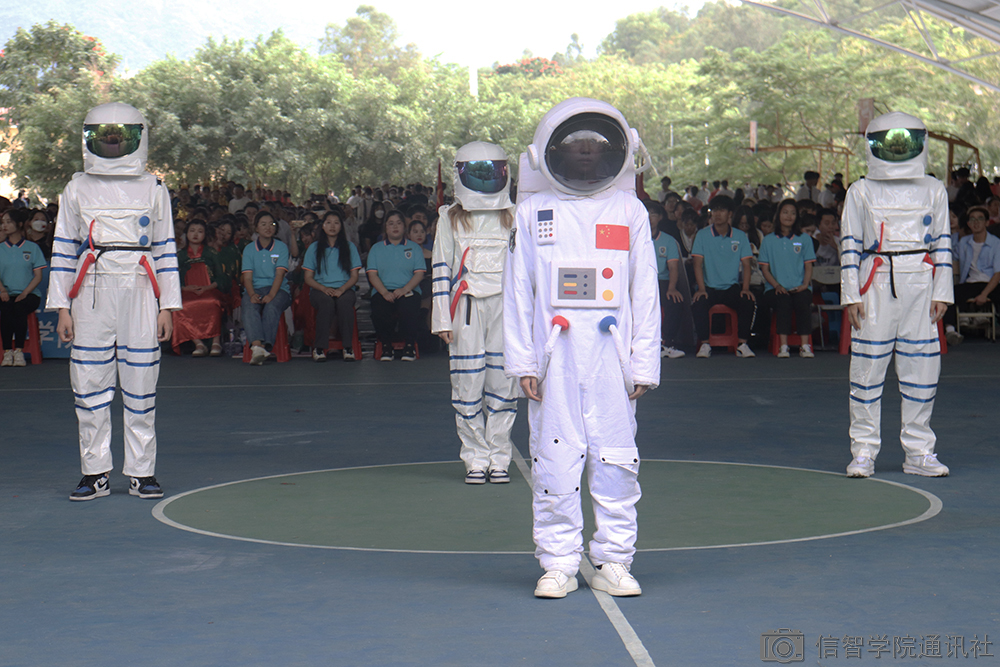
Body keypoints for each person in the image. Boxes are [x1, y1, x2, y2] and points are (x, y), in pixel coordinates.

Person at [504, 97, 660, 599]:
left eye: (596, 142)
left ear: (616, 148)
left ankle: (614, 559)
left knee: (616, 459)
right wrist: (524, 362)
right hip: (555, 356)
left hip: (613, 356)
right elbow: (517, 290)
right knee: (554, 458)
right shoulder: (533, 212)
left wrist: (644, 364)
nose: (587, 151)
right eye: (576, 144)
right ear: (550, 152)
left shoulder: (629, 210)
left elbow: (644, 290)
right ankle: (558, 563)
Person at [46, 102, 182, 501]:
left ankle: (142, 472)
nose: (112, 143)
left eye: (120, 136)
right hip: (91, 290)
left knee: (141, 385)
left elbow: (166, 249)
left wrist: (167, 307)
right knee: (89, 385)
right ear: (90, 139)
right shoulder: (76, 188)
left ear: (138, 138)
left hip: (140, 288)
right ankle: (95, 473)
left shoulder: (154, 188)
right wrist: (62, 308)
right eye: (105, 136)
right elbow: (63, 249)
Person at [841, 111, 953, 478]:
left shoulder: (934, 189)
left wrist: (942, 291)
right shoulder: (860, 191)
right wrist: (851, 295)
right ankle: (863, 451)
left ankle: (919, 452)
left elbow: (942, 244)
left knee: (922, 368)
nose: (899, 147)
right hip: (874, 283)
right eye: (891, 141)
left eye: (905, 141)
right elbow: (849, 245)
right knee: (867, 369)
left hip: (920, 282)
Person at [431, 141, 520, 484]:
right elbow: (441, 267)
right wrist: (442, 318)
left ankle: (499, 457)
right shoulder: (449, 217)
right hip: (465, 308)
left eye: (491, 172)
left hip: (505, 309)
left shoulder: (514, 215)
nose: (485, 179)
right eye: (477, 172)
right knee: (467, 385)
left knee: (503, 384)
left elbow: (526, 270)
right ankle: (475, 459)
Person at [690, 195, 757, 358]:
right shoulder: (702, 235)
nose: (717, 214)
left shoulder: (740, 236)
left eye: (722, 210)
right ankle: (705, 344)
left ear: (730, 214)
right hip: (709, 287)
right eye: (714, 210)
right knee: (698, 302)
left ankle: (742, 344)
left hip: (731, 287)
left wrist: (745, 288)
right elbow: (697, 264)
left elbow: (746, 265)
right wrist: (701, 288)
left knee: (747, 300)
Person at [759, 199, 816, 358]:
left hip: (800, 287)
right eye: (785, 212)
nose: (788, 216)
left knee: (803, 300)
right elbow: (765, 269)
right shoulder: (768, 240)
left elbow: (808, 266)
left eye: (792, 213)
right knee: (783, 301)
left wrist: (805, 284)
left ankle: (805, 345)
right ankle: (783, 346)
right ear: (778, 215)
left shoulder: (804, 239)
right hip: (774, 288)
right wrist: (777, 286)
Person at [366, 209, 425, 361]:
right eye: (391, 223)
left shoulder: (414, 248)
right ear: (385, 227)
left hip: (408, 290)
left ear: (404, 227)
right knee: (379, 309)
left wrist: (405, 289)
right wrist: (384, 292)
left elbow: (419, 273)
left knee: (409, 308)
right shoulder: (376, 249)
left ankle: (409, 346)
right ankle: (386, 346)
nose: (395, 227)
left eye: (398, 223)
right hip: (383, 290)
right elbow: (372, 274)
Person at [303, 209, 361, 361]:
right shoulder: (314, 248)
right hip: (320, 289)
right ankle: (319, 348)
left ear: (341, 226)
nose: (332, 226)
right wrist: (323, 288)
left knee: (345, 303)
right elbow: (308, 278)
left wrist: (342, 289)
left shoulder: (349, 247)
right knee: (326, 303)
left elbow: (354, 276)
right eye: (328, 223)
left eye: (336, 223)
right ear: (322, 226)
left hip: (345, 288)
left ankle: (348, 347)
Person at [241, 210, 292, 365]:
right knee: (249, 305)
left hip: (279, 290)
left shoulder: (281, 247)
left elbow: (279, 275)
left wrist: (271, 294)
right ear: (256, 228)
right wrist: (252, 294)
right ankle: (257, 347)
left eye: (272, 224)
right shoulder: (249, 249)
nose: (268, 227)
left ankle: (264, 346)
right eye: (263, 224)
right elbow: (247, 277)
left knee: (271, 306)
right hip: (255, 288)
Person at [172, 219, 229, 357]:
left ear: (205, 234)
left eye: (200, 231)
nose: (195, 234)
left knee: (213, 302)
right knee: (181, 307)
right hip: (188, 291)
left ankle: (216, 341)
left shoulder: (212, 253)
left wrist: (208, 287)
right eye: (192, 231)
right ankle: (198, 343)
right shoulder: (180, 255)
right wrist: (185, 288)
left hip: (209, 290)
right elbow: (173, 279)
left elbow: (222, 277)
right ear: (186, 233)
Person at [945, 205, 1000, 344]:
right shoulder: (964, 242)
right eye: (972, 219)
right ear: (968, 224)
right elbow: (951, 257)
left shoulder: (996, 243)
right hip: (970, 283)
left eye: (980, 219)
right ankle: (951, 331)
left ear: (987, 222)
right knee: (948, 294)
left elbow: (997, 274)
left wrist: (984, 294)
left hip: (990, 284)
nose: (976, 223)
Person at [0, 208, 46, 366]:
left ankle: (19, 351)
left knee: (19, 308)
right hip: (5, 293)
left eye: (9, 222)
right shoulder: (1, 248)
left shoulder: (32, 248)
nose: (4, 226)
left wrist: (25, 293)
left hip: (29, 294)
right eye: (3, 223)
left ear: (19, 224)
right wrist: (2, 290)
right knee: (6, 308)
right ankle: (7, 352)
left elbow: (38, 276)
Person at [646, 199, 685, 358]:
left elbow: (673, 267)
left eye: (653, 214)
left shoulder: (668, 240)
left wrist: (672, 288)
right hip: (640, 282)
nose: (649, 218)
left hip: (661, 280)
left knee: (675, 300)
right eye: (646, 214)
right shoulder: (632, 237)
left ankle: (667, 343)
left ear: (660, 217)